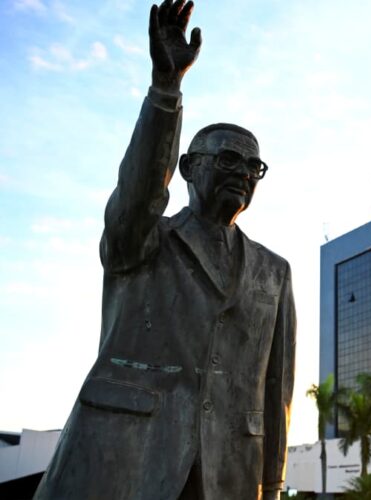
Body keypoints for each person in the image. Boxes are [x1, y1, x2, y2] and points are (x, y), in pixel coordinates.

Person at [33, 2, 296, 499]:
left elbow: (276, 390)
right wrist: (166, 90)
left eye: (253, 167)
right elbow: (137, 196)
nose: (243, 173)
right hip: (126, 459)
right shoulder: (142, 240)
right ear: (189, 167)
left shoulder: (274, 272)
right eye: (229, 160)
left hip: (229, 475)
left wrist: (273, 484)